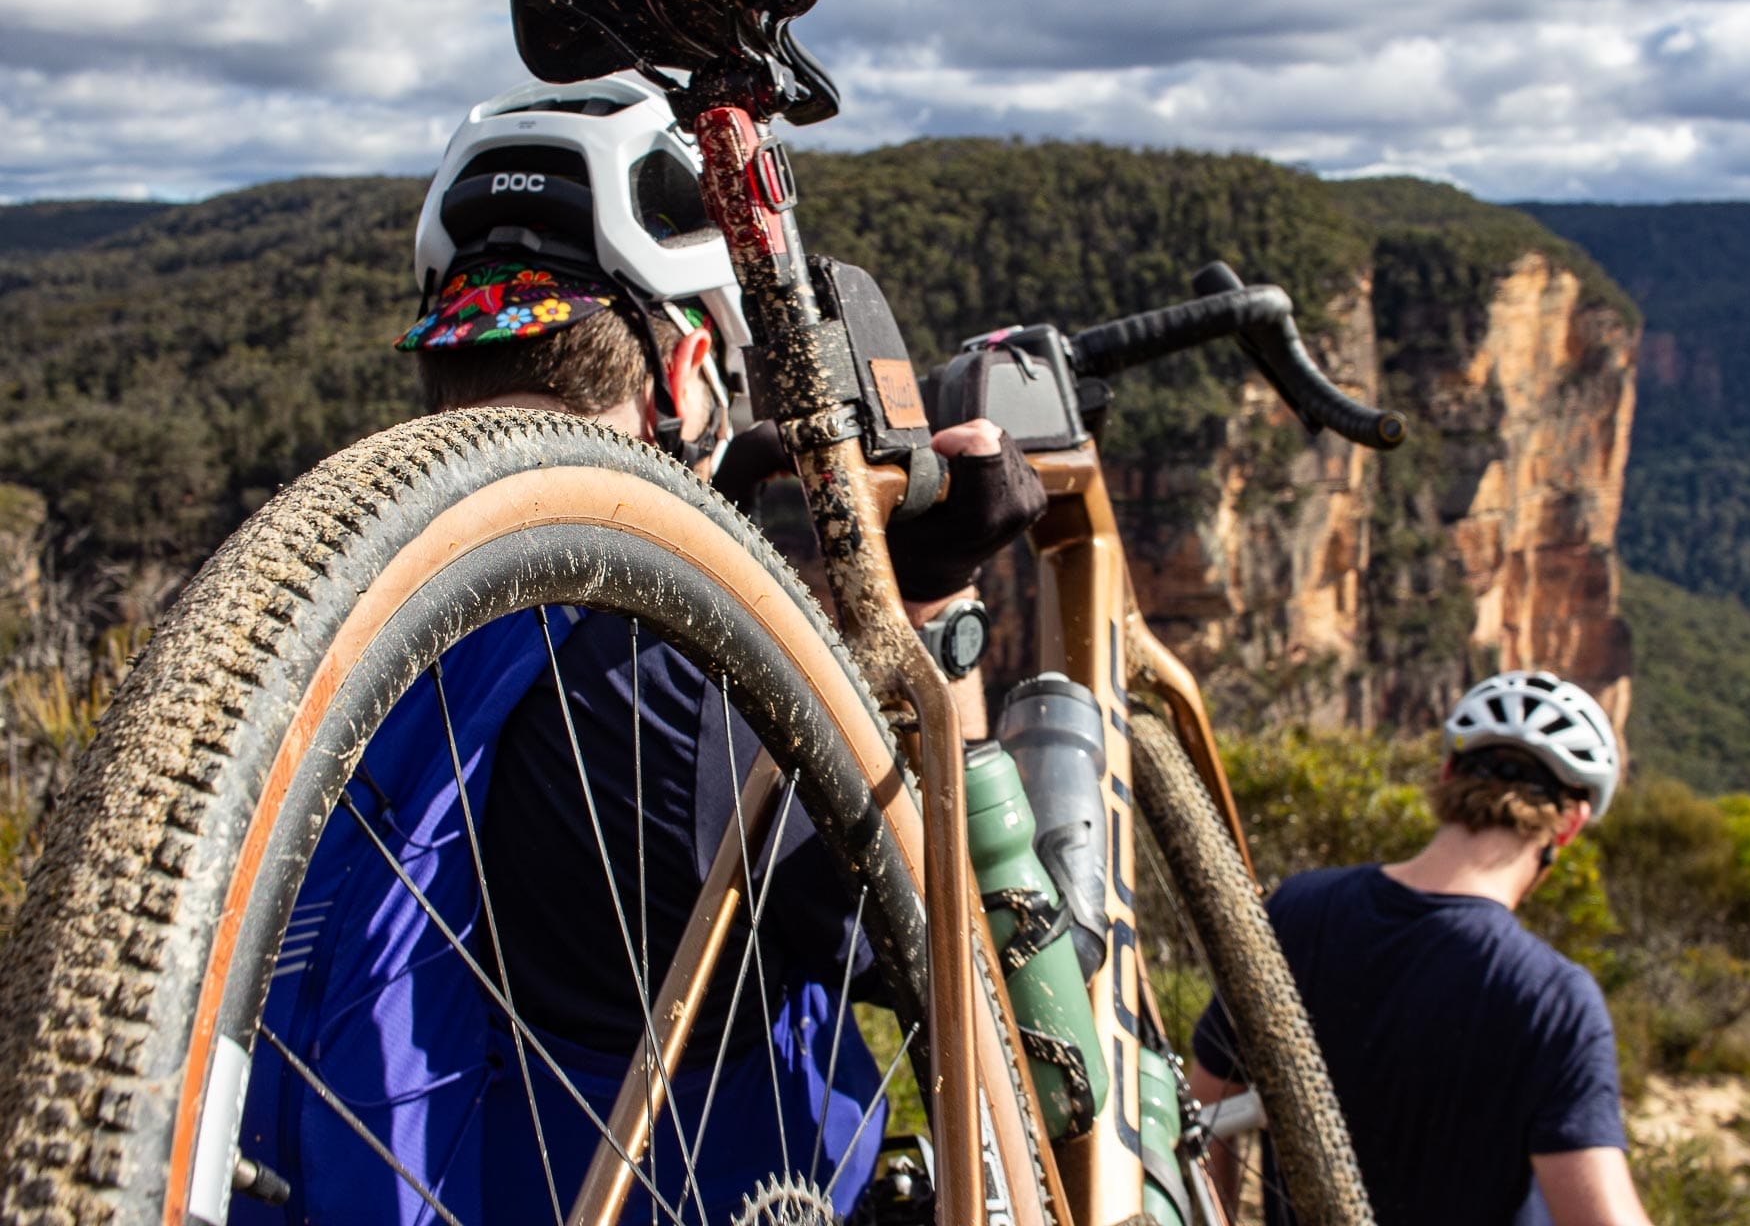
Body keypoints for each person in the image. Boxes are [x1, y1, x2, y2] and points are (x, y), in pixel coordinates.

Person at [235, 75, 1042, 1224]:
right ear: (682, 376)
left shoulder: (313, 644)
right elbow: (990, 972)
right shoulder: (669, 697)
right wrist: (935, 598)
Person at [1188, 670, 1654, 1226]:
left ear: (1448, 774)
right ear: (1569, 826)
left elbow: (1206, 1109)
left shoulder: (1299, 909)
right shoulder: (1554, 998)